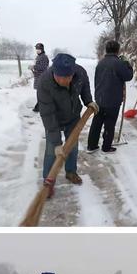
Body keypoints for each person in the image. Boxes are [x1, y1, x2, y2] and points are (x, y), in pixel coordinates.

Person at [37, 53, 99, 197]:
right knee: (52, 151)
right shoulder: (44, 82)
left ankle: (71, 172)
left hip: (72, 117)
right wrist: (57, 143)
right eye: (61, 77)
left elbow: (85, 88)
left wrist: (88, 101)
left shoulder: (80, 73)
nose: (65, 80)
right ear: (54, 73)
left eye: (68, 77)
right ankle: (48, 181)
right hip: (54, 118)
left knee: (73, 146)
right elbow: (47, 114)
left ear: (73, 72)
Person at [87, 40, 133, 153]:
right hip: (112, 100)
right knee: (109, 123)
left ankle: (91, 145)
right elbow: (128, 76)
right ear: (117, 50)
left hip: (100, 98)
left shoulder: (100, 63)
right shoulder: (118, 63)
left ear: (106, 50)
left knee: (97, 122)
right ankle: (106, 147)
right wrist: (127, 64)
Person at [30, 43, 49, 112]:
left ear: (42, 49)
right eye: (37, 49)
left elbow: (43, 67)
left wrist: (33, 67)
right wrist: (33, 69)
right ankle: (40, 107)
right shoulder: (39, 56)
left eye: (39, 49)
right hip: (38, 77)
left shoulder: (43, 57)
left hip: (42, 77)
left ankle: (38, 107)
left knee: (41, 93)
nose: (37, 50)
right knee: (40, 93)